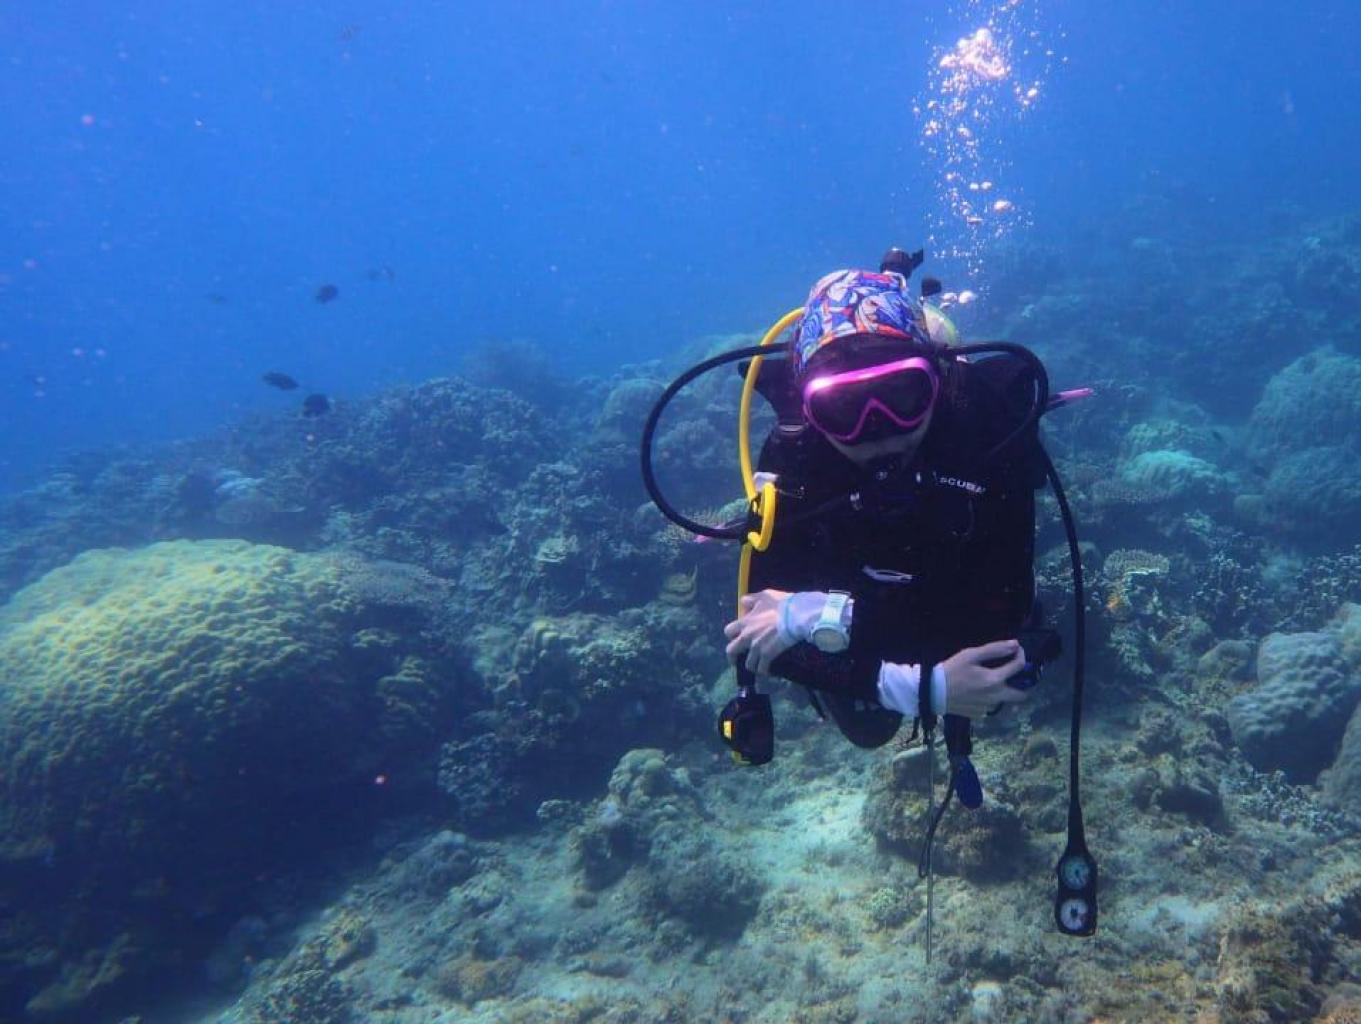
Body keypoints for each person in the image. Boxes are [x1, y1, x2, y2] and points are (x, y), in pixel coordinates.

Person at [721, 265, 1047, 746]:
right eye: (842, 408)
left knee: (997, 689)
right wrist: (917, 689)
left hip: (945, 604)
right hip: (889, 623)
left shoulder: (984, 425)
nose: (878, 430)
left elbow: (1002, 613)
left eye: (902, 395)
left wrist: (814, 614)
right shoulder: (797, 456)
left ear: (937, 381)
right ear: (810, 413)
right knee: (868, 728)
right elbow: (754, 634)